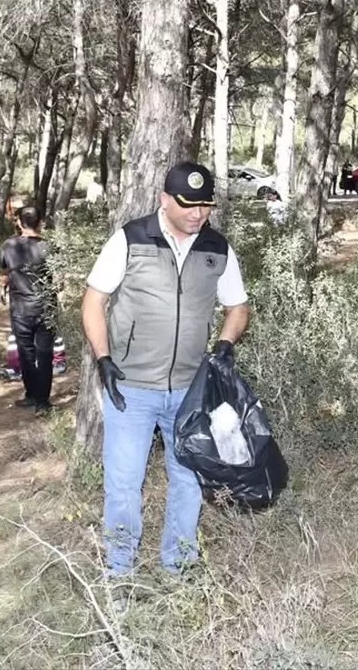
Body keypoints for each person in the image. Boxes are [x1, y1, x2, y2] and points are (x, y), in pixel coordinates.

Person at [81, 161, 251, 577]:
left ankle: (178, 568)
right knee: (123, 485)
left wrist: (225, 346)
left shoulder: (217, 248)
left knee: (189, 482)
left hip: (191, 390)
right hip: (131, 388)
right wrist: (104, 360)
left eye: (206, 205)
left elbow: (238, 307)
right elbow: (93, 302)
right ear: (165, 200)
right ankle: (119, 573)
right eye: (189, 205)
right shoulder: (131, 239)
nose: (198, 214)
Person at [0, 205, 58, 414]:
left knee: (26, 353)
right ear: (40, 221)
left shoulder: (8, 245)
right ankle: (42, 401)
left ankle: (32, 395)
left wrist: (2, 287)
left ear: (19, 222)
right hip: (46, 309)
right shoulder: (49, 247)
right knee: (44, 355)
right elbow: (59, 281)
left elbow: (5, 272)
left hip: (21, 309)